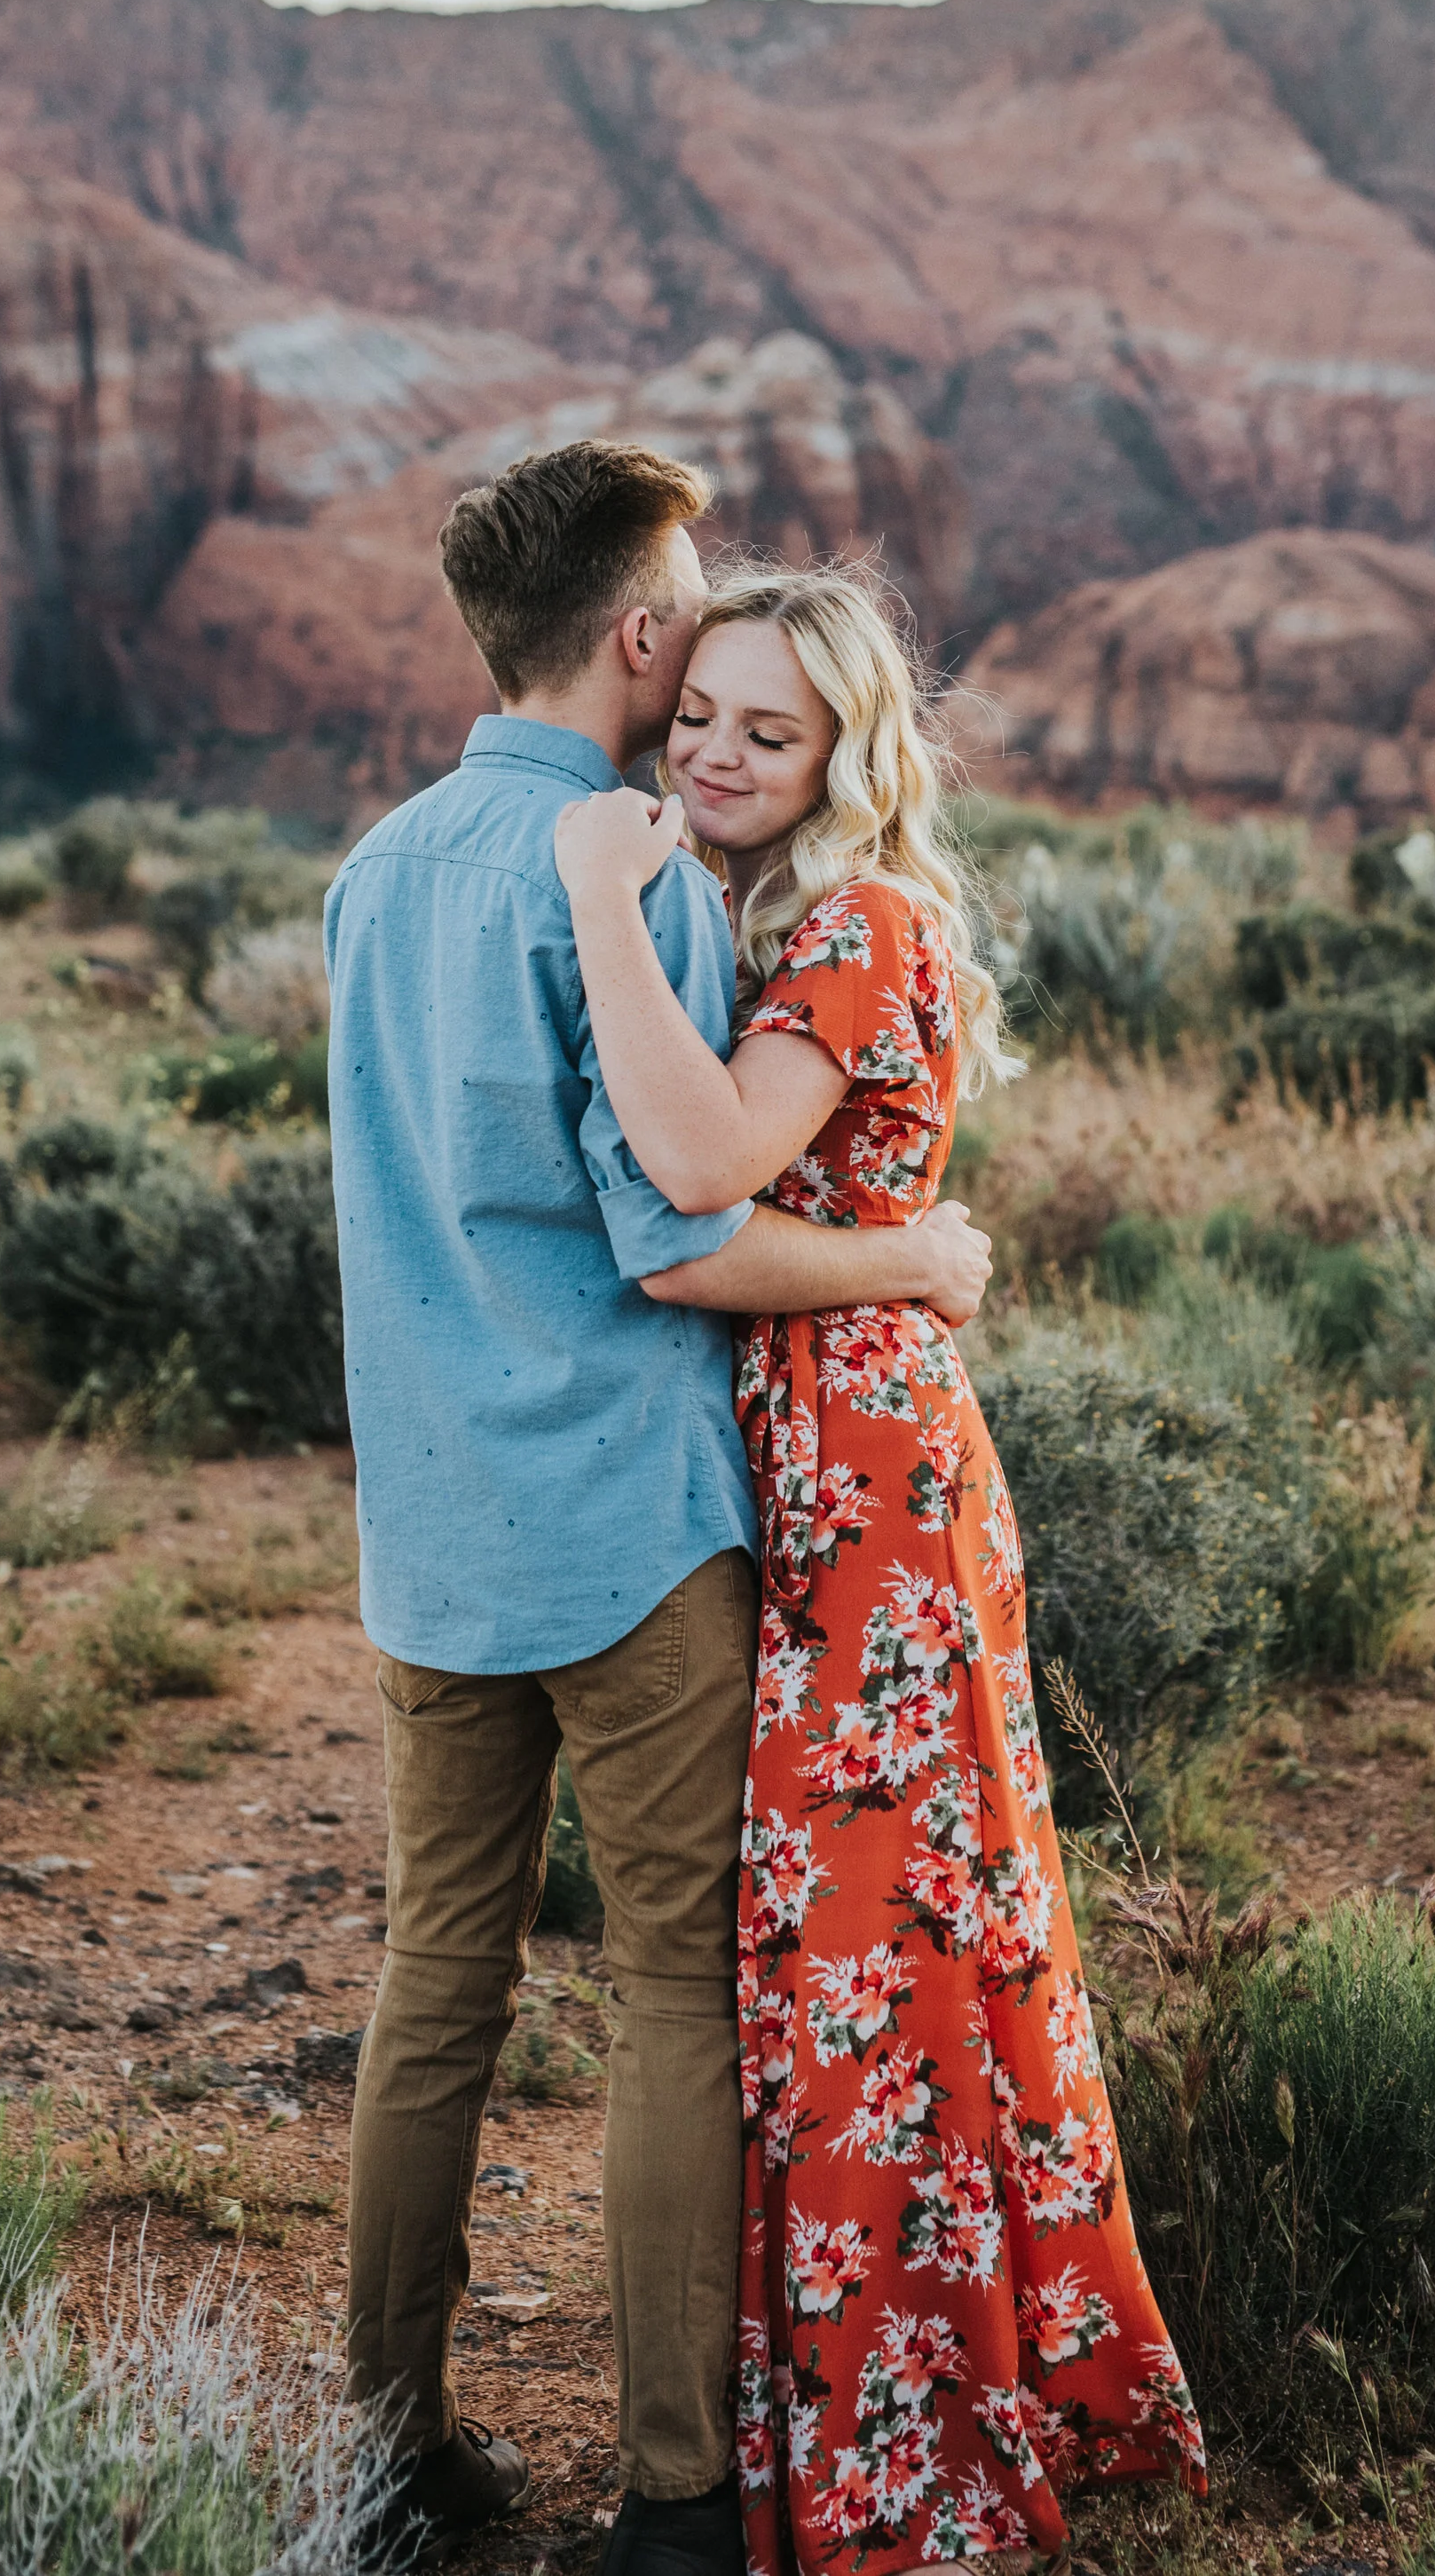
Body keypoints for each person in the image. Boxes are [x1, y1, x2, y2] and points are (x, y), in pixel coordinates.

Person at [323, 446, 994, 2576]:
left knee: (436, 1976)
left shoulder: (374, 869)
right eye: (688, 623)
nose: (700, 670)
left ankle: (385, 2447)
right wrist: (911, 1259)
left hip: (432, 1525)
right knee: (670, 1994)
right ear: (635, 637)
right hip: (629, 1527)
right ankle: (681, 2497)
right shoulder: (635, 884)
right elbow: (678, 1231)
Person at [555, 565, 1207, 2576]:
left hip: (871, 1484)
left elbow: (694, 1178)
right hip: (834, 1455)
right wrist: (913, 1251)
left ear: (848, 749)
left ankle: (907, 2457)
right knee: (886, 1939)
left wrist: (594, 896)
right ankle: (901, 2407)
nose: (719, 754)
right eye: (697, 720)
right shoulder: (790, 915)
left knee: (873, 1948)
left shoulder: (850, 923)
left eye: (772, 728)